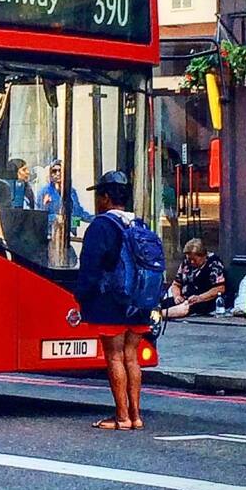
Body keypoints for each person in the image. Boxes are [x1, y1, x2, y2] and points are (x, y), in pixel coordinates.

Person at [75, 170, 152, 431]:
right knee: (132, 357)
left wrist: (81, 297)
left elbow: (90, 267)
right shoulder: (140, 224)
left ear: (106, 198)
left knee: (115, 357)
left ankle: (121, 416)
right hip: (140, 301)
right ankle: (136, 416)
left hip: (112, 302)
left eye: (99, 196)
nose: (97, 202)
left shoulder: (101, 226)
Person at [164, 238, 226, 318]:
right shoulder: (186, 263)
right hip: (185, 298)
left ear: (203, 256)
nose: (192, 262)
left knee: (185, 309)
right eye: (189, 259)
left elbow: (220, 288)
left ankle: (158, 315)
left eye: (194, 259)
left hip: (205, 300)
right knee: (164, 303)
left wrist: (200, 298)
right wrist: (177, 296)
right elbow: (176, 284)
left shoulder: (214, 263)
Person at [35, 158, 93, 232]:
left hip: (68, 234)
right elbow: (40, 217)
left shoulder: (71, 191)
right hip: (51, 234)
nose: (58, 174)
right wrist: (56, 218)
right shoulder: (44, 192)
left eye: (60, 171)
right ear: (50, 174)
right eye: (54, 171)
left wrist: (94, 219)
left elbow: (78, 212)